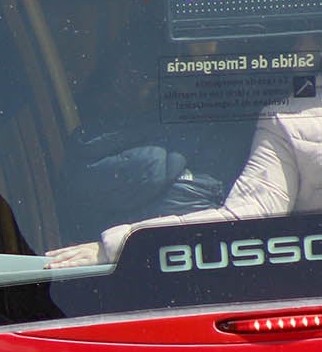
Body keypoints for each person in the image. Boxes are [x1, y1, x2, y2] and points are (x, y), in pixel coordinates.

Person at [49, 45, 322, 268]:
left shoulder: (291, 118)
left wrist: (120, 244)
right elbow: (251, 215)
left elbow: (250, 216)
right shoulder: (292, 118)